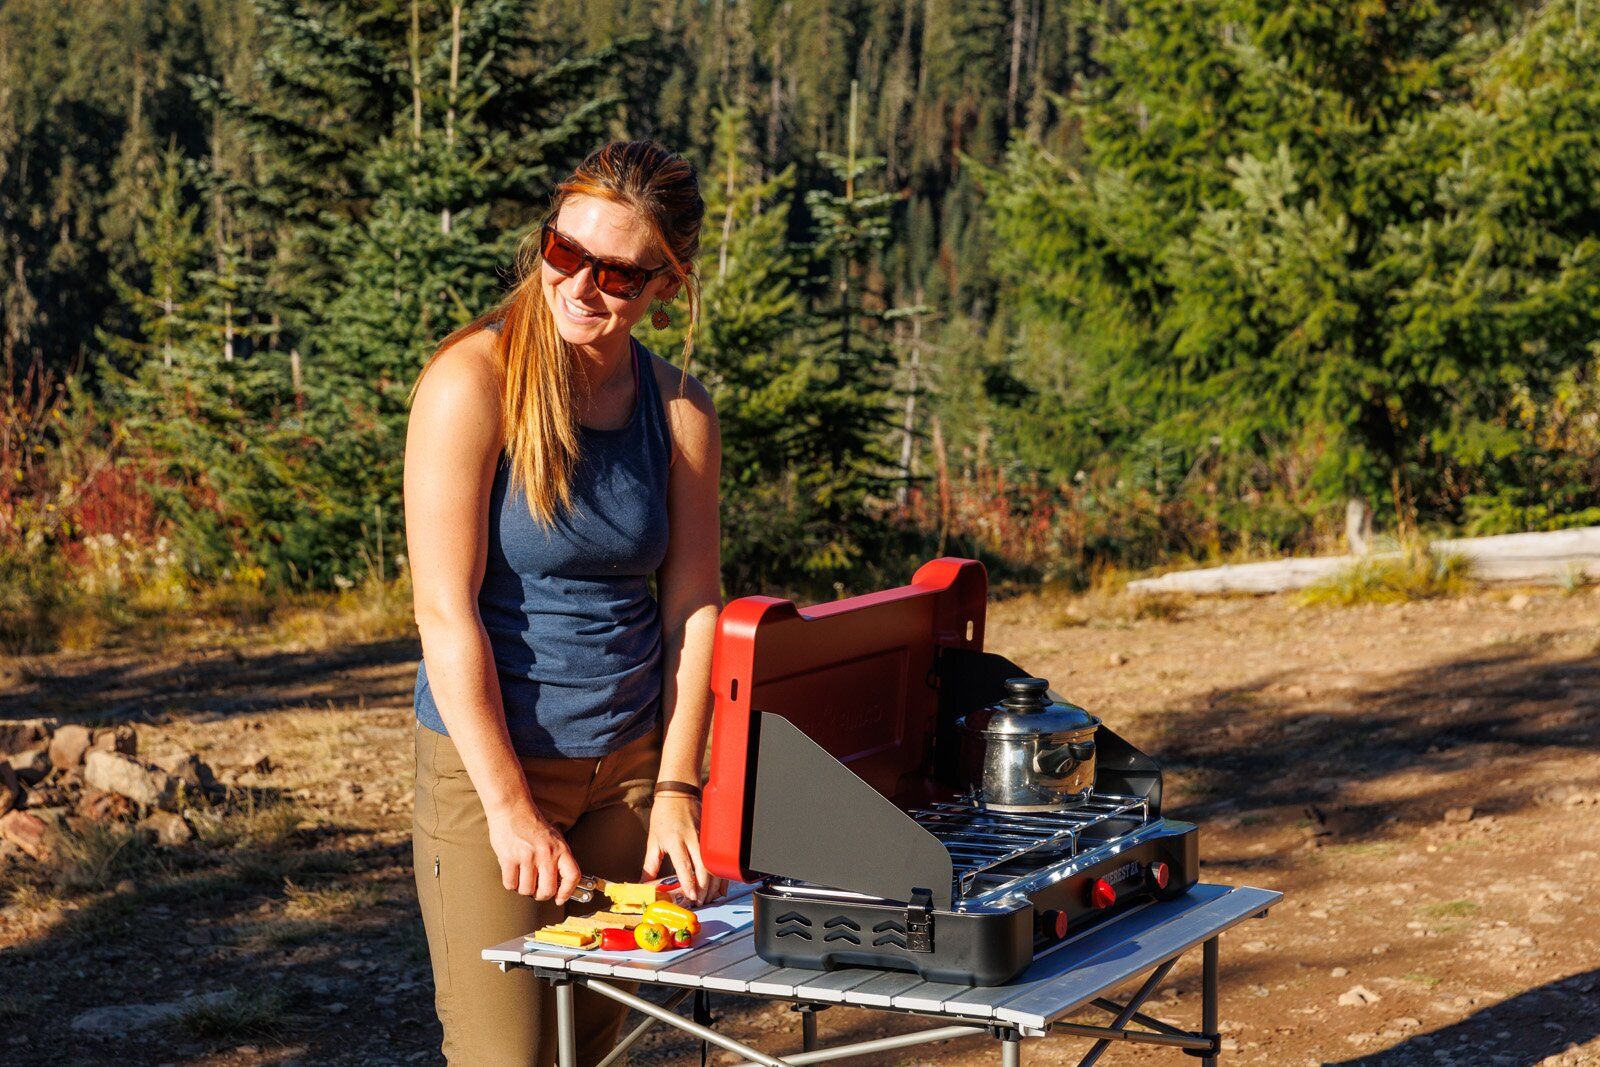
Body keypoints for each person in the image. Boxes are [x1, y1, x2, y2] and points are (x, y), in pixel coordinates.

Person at [405, 139, 723, 1065]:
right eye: (564, 251)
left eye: (617, 274)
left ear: (666, 284)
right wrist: (509, 806)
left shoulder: (680, 410)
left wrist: (677, 786)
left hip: (628, 776)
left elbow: (694, 606)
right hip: (491, 771)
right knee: (505, 1055)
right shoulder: (472, 383)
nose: (580, 285)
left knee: (588, 1050)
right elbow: (444, 612)